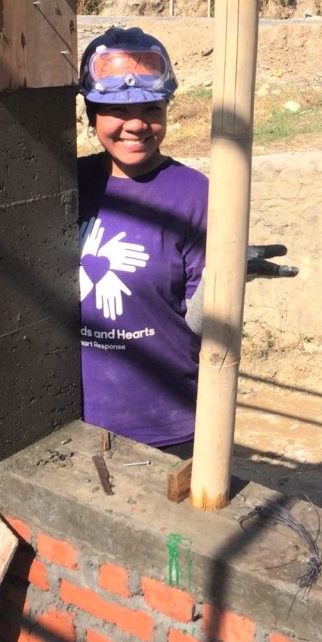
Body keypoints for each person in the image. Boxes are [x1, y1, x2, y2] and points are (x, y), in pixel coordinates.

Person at [77, 26, 208, 452]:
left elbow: (201, 324)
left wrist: (225, 278)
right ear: (90, 113)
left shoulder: (194, 193)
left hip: (166, 425)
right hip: (74, 420)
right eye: (118, 110)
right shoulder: (67, 184)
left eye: (151, 108)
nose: (136, 124)